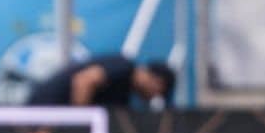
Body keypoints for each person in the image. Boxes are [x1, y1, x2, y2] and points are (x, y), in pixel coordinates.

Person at [28, 55, 175, 107]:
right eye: (157, 94)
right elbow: (84, 81)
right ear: (158, 82)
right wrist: (79, 124)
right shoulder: (124, 67)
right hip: (44, 108)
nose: (150, 98)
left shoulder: (124, 91)